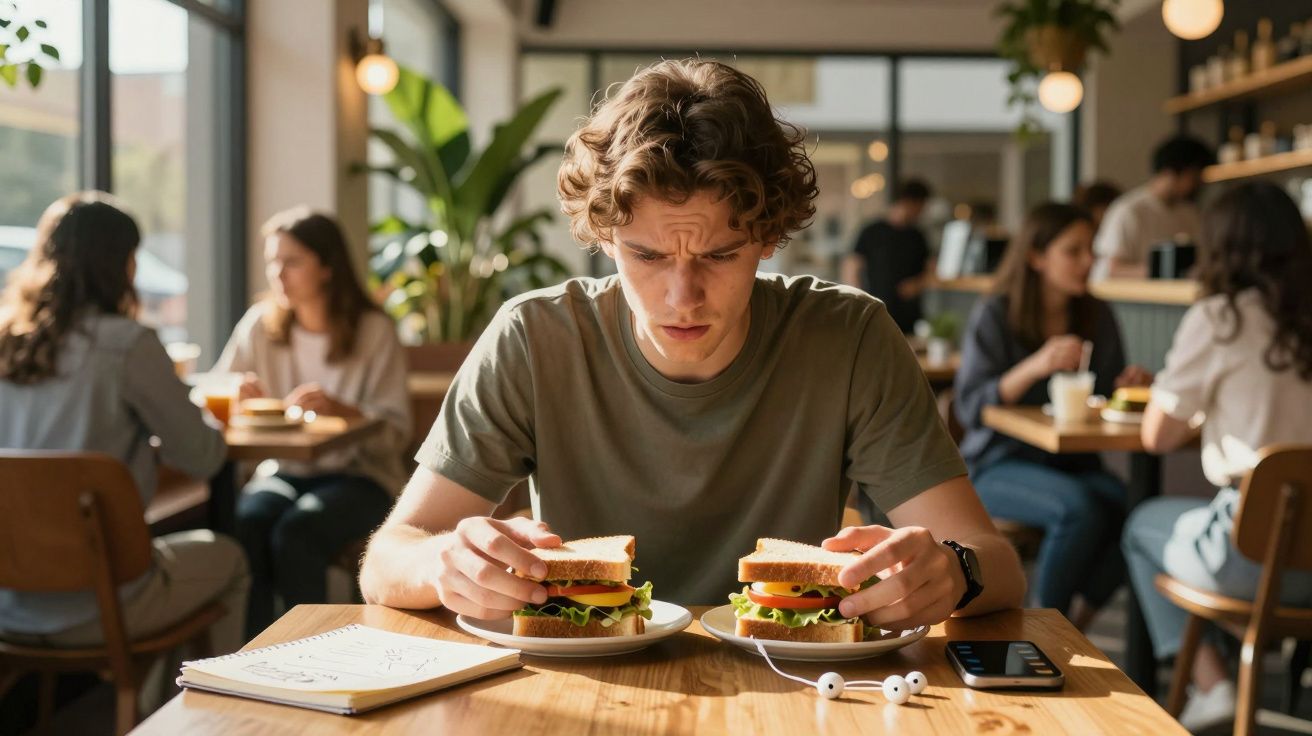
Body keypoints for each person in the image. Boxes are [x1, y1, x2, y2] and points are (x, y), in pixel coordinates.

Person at [359, 59, 1025, 631]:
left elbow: (995, 563)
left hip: (790, 684)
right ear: (603, 237)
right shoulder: (534, 338)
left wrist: (952, 573)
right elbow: (389, 556)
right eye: (646, 254)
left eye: (720, 254)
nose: (684, 296)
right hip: (584, 688)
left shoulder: (849, 337)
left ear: (768, 237)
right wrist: (442, 564)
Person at [0, 192, 247, 658]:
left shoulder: (6, 342)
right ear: (122, 265)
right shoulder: (127, 345)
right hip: (102, 602)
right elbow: (202, 457)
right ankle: (184, 718)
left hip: (9, 606)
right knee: (229, 558)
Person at [1122, 182, 1312, 732]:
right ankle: (1233, 647)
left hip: (1251, 557)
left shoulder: (1221, 318)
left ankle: (1213, 684)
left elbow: (1158, 437)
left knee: (1140, 526)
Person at [954, 202, 1152, 628]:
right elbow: (970, 405)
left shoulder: (1096, 315)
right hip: (998, 464)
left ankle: (1076, 623)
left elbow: (1103, 397)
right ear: (1036, 256)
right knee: (1079, 509)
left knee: (1135, 509)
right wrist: (1036, 365)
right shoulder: (998, 313)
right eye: (1073, 251)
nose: (1088, 262)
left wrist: (1128, 387)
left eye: (1091, 251)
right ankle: (1042, 626)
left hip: (1073, 462)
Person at [215, 208, 410, 636]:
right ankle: (257, 652)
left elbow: (397, 432)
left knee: (297, 532)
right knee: (249, 521)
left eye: (291, 261)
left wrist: (348, 412)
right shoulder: (259, 327)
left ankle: (312, 653)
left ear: (326, 267)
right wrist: (236, 393)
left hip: (362, 477)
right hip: (284, 471)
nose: (277, 274)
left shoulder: (374, 331)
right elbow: (212, 387)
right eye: (272, 262)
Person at [1092, 136, 1214, 280]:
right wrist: (1161, 271)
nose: (1199, 184)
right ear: (1170, 172)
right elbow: (1112, 269)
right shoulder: (1129, 210)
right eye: (1194, 177)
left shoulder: (1189, 212)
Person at [842, 179, 935, 333]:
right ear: (908, 202)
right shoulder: (872, 231)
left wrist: (916, 285)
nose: (922, 211)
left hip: (909, 316)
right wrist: (858, 300)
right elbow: (852, 267)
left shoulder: (918, 236)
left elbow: (930, 270)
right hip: (874, 311)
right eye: (921, 206)